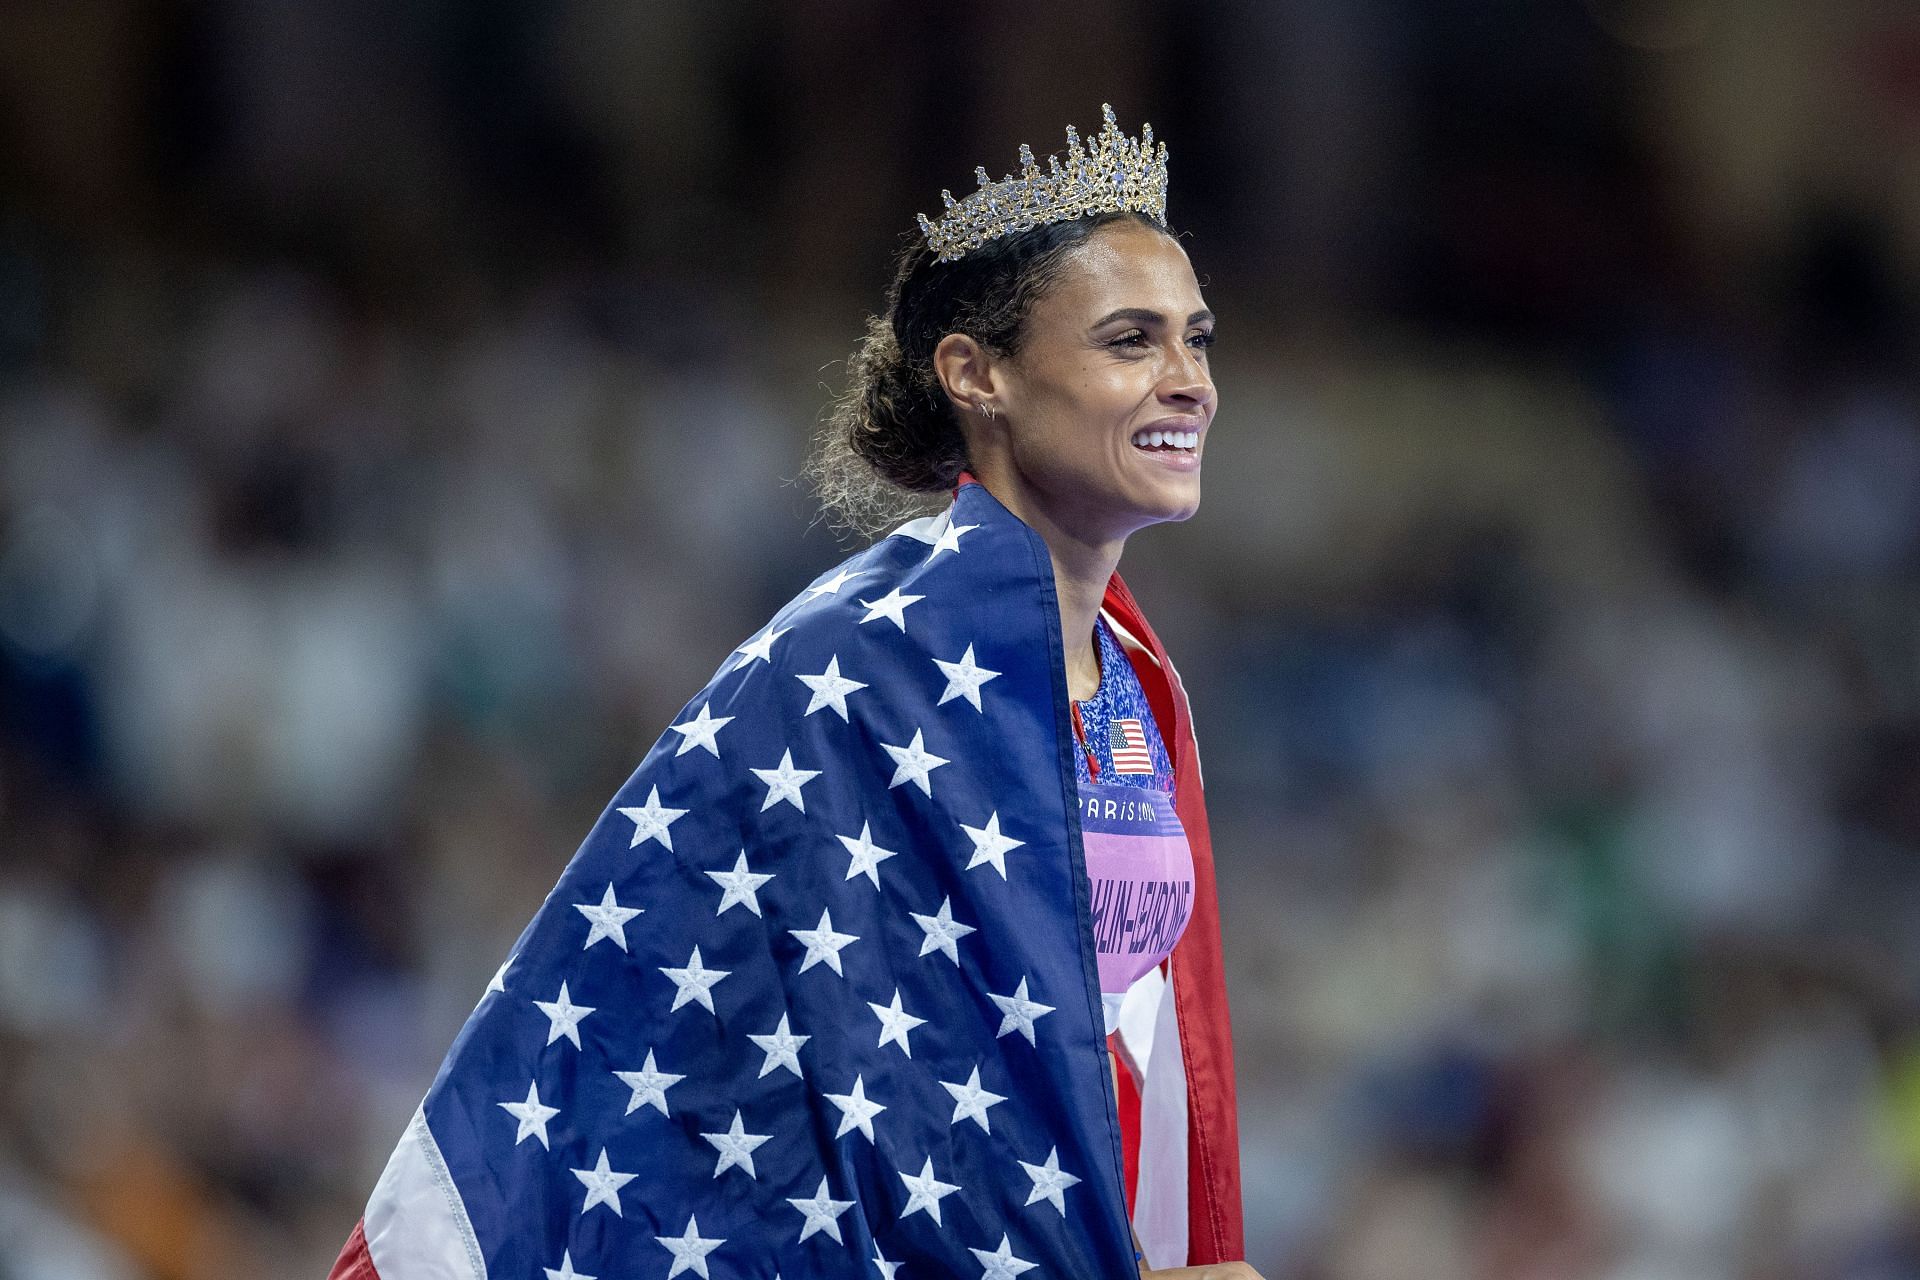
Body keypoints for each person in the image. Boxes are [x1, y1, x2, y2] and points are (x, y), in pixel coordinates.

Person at [330, 105, 1256, 1280]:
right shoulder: (848, 668)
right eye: (1132, 340)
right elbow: (827, 1121)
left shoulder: (1135, 681)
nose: (1190, 383)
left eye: (1199, 337)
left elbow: (1098, 1066)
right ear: (979, 376)